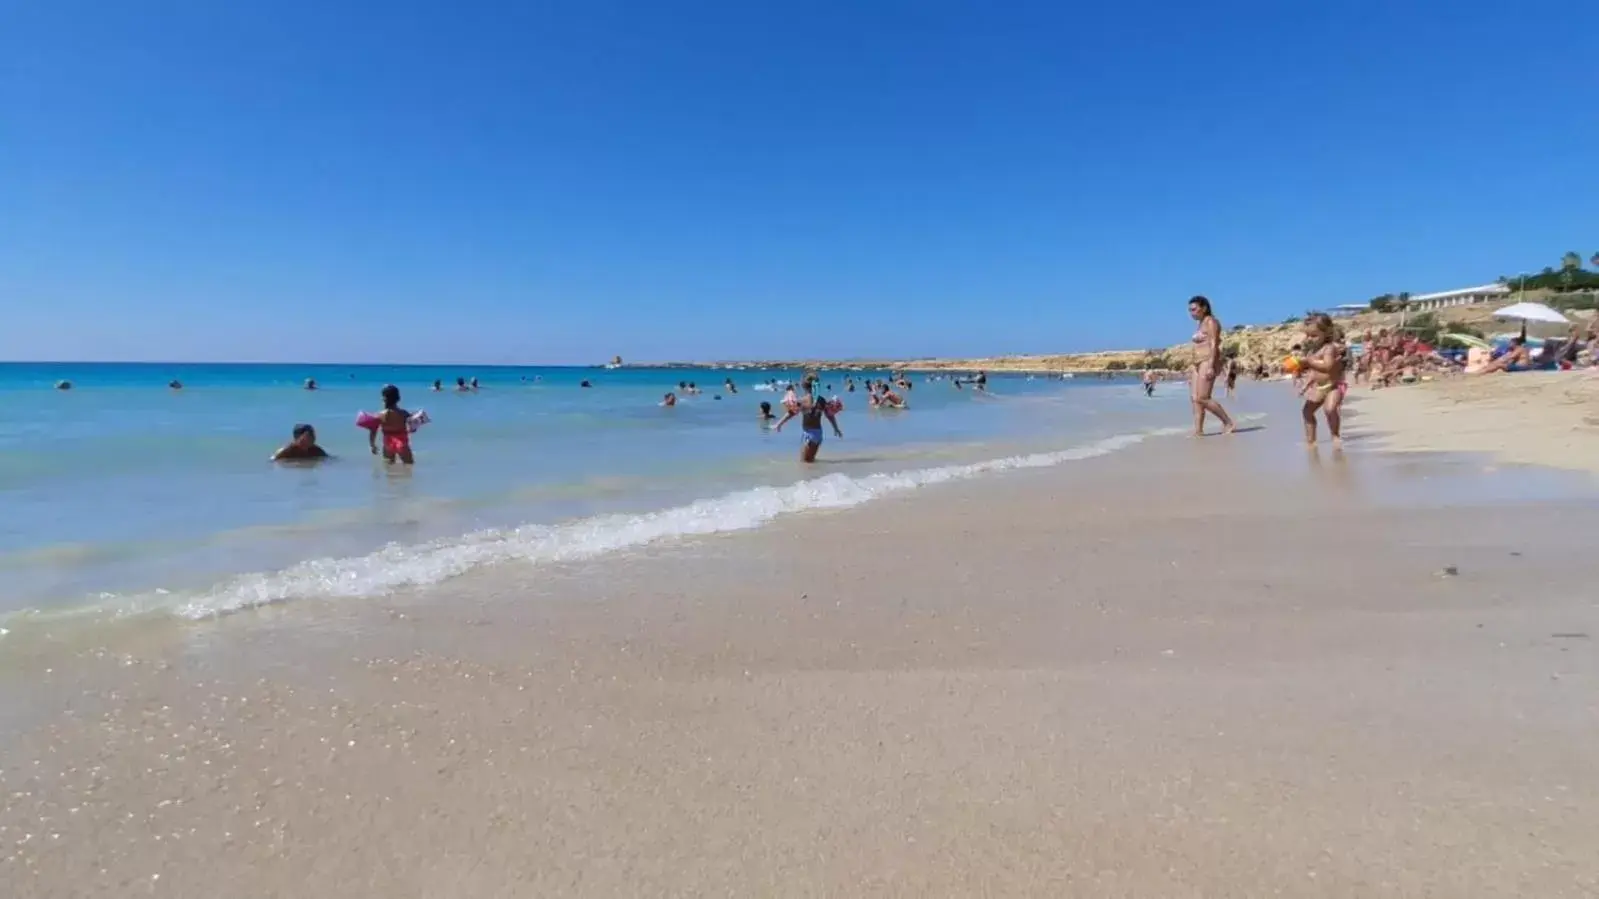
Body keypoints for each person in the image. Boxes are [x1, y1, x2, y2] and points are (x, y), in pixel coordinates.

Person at [1292, 313, 1347, 447]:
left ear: (1326, 332)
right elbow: (1313, 373)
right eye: (1308, 335)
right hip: (1318, 386)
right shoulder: (1312, 351)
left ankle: (1335, 435)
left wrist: (1309, 362)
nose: (1310, 339)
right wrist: (1306, 385)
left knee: (1330, 409)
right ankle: (1311, 440)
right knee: (1307, 412)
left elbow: (1328, 366)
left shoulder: (1329, 348)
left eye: (1314, 335)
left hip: (1333, 385)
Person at [1186, 295, 1236, 436]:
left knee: (1203, 397)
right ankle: (1198, 430)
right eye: (1190, 310)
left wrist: (1211, 365)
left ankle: (1228, 422)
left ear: (1204, 308)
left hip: (1208, 360)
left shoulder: (1211, 322)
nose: (1192, 313)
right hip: (1197, 362)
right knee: (1195, 398)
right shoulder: (1200, 323)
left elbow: (1214, 344)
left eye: (1194, 309)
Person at [774, 382, 842, 463]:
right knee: (809, 460)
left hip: (810, 434)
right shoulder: (821, 400)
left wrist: (779, 424)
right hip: (816, 433)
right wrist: (836, 428)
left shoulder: (803, 400)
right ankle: (816, 474)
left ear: (804, 387)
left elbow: (791, 413)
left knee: (805, 462)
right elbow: (830, 415)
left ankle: (813, 474)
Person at [369, 385, 415, 464]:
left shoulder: (380, 415)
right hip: (402, 442)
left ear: (383, 399)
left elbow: (373, 431)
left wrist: (372, 445)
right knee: (409, 465)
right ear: (398, 398)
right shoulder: (404, 413)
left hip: (388, 443)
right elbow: (414, 425)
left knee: (389, 468)